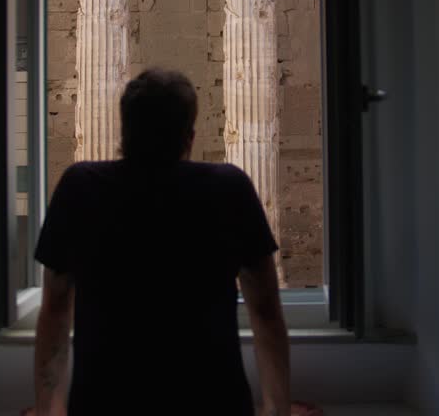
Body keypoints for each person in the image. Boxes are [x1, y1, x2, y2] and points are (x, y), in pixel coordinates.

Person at [33, 68, 290, 416]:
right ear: (190, 136)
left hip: (105, 402)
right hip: (214, 401)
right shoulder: (230, 189)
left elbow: (55, 310)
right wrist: (277, 408)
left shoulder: (80, 188)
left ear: (124, 131)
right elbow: (266, 311)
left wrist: (49, 409)